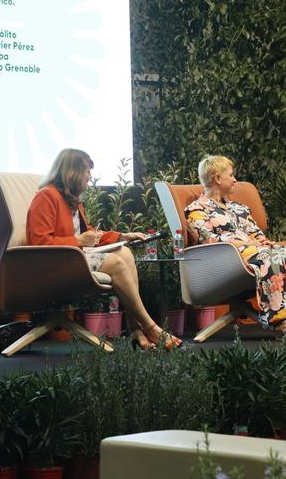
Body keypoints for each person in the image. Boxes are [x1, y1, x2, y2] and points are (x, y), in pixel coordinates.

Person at [26, 149, 182, 350]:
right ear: (73, 173)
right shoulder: (46, 196)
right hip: (54, 264)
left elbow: (89, 235)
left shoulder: (72, 199)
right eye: (87, 172)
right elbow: (38, 243)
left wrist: (122, 236)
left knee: (125, 252)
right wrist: (77, 240)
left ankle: (136, 330)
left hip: (73, 257)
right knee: (116, 263)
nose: (90, 177)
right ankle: (151, 327)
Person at [184, 155, 286, 337]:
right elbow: (208, 240)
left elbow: (256, 233)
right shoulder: (196, 210)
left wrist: (263, 241)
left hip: (255, 252)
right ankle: (281, 320)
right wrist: (250, 243)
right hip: (226, 260)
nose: (235, 180)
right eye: (231, 175)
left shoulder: (238, 208)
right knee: (268, 257)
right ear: (217, 178)